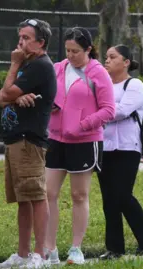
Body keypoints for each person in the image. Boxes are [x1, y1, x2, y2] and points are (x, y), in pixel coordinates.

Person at [44, 27, 115, 265]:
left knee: (79, 195)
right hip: (56, 138)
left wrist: (82, 125)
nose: (70, 55)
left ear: (88, 49)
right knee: (48, 193)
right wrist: (50, 105)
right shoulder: (58, 68)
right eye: (67, 50)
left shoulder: (99, 73)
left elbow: (108, 110)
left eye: (75, 51)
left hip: (85, 141)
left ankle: (76, 248)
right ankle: (49, 248)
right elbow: (48, 94)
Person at [0, 19, 56, 269]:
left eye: (27, 38)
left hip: (28, 141)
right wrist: (14, 97)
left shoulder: (39, 66)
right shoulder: (27, 66)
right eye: (20, 37)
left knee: (36, 197)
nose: (20, 42)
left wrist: (15, 64)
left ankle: (40, 256)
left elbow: (6, 94)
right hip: (14, 141)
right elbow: (0, 98)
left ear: (41, 43)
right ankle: (22, 254)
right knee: (23, 199)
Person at [97, 45, 143, 260]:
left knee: (122, 195)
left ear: (126, 62)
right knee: (108, 200)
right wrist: (104, 110)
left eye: (113, 57)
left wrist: (100, 111)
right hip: (104, 147)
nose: (107, 60)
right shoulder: (102, 86)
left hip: (127, 148)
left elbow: (122, 111)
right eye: (106, 57)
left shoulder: (135, 85)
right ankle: (114, 248)